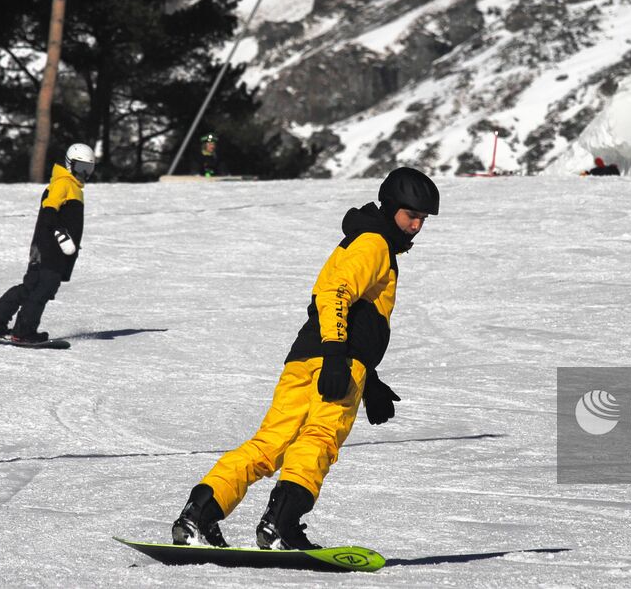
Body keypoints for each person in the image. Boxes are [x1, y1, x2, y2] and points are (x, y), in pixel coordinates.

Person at [171, 167, 440, 550]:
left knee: (270, 443)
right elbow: (334, 294)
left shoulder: (365, 240)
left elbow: (355, 312)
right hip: (334, 354)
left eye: (422, 220)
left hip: (308, 355)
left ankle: (197, 516)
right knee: (320, 437)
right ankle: (281, 525)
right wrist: (337, 357)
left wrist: (371, 381)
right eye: (410, 215)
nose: (415, 226)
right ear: (392, 207)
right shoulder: (374, 244)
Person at [0, 143, 95, 343]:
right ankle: (23, 332)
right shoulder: (63, 183)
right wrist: (61, 234)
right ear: (70, 165)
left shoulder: (72, 186)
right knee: (44, 288)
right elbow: (50, 209)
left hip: (47, 248)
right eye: (80, 168)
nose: (84, 174)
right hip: (50, 249)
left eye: (89, 170)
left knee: (30, 287)